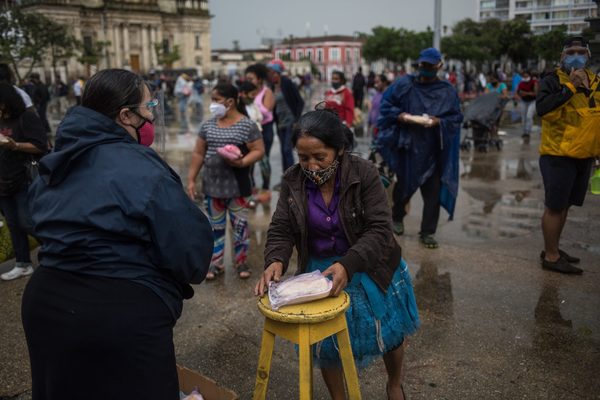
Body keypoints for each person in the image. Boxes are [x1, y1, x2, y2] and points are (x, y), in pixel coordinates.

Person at [21, 69, 213, 400]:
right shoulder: (141, 166)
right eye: (149, 104)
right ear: (126, 115)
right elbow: (189, 248)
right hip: (120, 314)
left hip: (46, 304)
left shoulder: (58, 159)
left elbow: (32, 217)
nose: (152, 114)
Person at [255, 109, 419, 400]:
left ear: (340, 149)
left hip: (371, 264)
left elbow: (380, 229)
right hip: (321, 270)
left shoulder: (364, 173)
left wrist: (348, 264)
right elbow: (281, 227)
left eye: (321, 157)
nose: (312, 167)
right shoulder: (292, 181)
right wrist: (275, 260)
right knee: (327, 345)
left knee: (390, 334)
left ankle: (394, 383)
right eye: (304, 158)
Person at [377, 47, 463, 248]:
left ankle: (427, 232)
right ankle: (397, 218)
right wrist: (400, 115)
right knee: (404, 188)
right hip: (408, 146)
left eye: (430, 66)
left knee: (432, 193)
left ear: (439, 66)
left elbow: (456, 117)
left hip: (433, 150)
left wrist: (438, 122)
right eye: (422, 65)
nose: (425, 69)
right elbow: (386, 104)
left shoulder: (447, 91)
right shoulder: (404, 84)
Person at [187, 83, 265, 280]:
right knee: (215, 228)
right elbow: (198, 152)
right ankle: (216, 263)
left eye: (216, 100)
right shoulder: (208, 125)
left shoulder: (247, 125)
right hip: (212, 188)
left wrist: (243, 162)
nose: (212, 104)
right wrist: (191, 179)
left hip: (237, 188)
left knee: (240, 227)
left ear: (230, 102)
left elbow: (258, 149)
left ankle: (241, 262)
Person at [536, 36, 600, 275]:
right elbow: (543, 110)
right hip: (558, 155)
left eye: (580, 51)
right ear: (562, 56)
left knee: (565, 206)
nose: (576, 55)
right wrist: (571, 87)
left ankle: (553, 248)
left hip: (584, 156)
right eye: (570, 51)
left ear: (588, 55)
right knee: (555, 207)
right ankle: (551, 256)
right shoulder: (552, 81)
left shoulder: (595, 82)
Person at [0, 83, 47, 281]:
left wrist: (15, 145)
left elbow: (40, 145)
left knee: (27, 220)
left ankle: (59, 251)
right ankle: (23, 263)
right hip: (2, 181)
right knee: (13, 223)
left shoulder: (25, 118)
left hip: (23, 178)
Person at [266, 59, 304, 176]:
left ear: (278, 73)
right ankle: (286, 176)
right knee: (283, 150)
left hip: (290, 121)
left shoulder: (287, 83)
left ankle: (294, 176)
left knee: (287, 149)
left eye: (273, 73)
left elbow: (300, 102)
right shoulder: (271, 87)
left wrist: (297, 120)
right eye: (270, 73)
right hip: (279, 122)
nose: (271, 75)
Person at [246, 63, 275, 196]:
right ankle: (251, 186)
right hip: (249, 130)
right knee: (249, 159)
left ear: (259, 79)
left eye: (251, 78)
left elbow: (267, 110)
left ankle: (265, 187)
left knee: (264, 158)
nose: (248, 81)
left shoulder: (267, 92)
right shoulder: (245, 92)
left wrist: (253, 105)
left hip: (265, 129)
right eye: (246, 78)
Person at [516, 69, 538, 143]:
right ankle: (524, 132)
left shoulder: (534, 82)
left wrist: (526, 93)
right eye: (524, 75)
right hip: (523, 101)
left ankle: (528, 132)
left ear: (529, 75)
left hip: (532, 101)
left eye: (526, 75)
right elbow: (517, 92)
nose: (525, 76)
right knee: (523, 117)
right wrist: (517, 96)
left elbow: (535, 93)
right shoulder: (521, 82)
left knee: (529, 116)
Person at [368, 73, 390, 139]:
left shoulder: (389, 95)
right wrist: (369, 121)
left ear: (384, 83)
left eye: (378, 82)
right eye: (375, 82)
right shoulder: (376, 94)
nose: (375, 84)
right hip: (375, 127)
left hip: (384, 129)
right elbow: (372, 108)